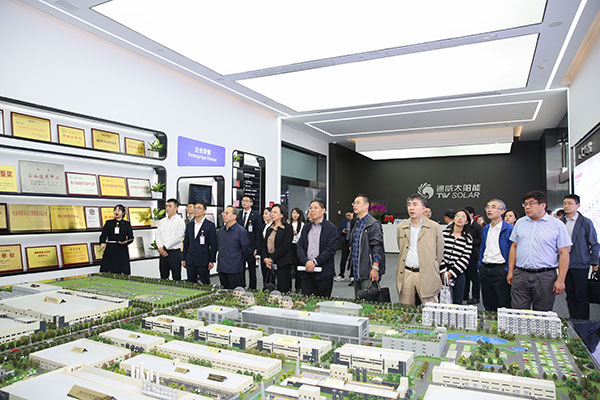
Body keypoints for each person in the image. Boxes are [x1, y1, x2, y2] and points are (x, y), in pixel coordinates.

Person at [507, 190, 572, 311]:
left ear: (543, 205)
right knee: (518, 312)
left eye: (531, 203)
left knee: (542, 313)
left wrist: (561, 280)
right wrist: (511, 271)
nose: (527, 207)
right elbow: (514, 247)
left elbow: (564, 253)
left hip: (545, 276)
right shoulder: (520, 223)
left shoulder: (557, 225)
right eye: (525, 204)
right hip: (521, 274)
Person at [397, 194, 444, 305]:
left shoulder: (434, 227)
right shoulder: (401, 227)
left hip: (426, 273)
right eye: (409, 205)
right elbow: (401, 248)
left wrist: (432, 267)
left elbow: (439, 252)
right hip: (406, 273)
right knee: (406, 307)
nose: (411, 208)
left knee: (430, 307)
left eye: (415, 204)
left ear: (423, 209)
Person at [561, 194, 600, 320]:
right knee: (569, 294)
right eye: (564, 203)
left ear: (578, 205)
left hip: (580, 263)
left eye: (570, 203)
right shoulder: (560, 222)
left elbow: (594, 244)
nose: (566, 206)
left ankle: (583, 321)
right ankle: (573, 318)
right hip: (564, 264)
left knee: (581, 294)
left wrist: (595, 263)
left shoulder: (585, 222)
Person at [297, 199, 338, 297]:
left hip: (323, 273)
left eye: (315, 208)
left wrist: (314, 262)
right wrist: (306, 262)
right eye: (310, 208)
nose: (312, 210)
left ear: (323, 210)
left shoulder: (331, 228)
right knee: (306, 301)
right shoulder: (306, 227)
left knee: (322, 302)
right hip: (306, 271)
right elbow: (300, 246)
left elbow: (330, 249)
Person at [478, 199, 513, 311]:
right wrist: (480, 265)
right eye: (488, 207)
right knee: (488, 302)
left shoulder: (509, 229)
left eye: (493, 207)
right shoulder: (485, 229)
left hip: (501, 269)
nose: (489, 210)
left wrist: (508, 270)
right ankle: (490, 322)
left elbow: (513, 251)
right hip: (485, 269)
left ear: (502, 211)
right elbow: (483, 248)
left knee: (503, 303)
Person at [350, 195, 385, 298]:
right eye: (354, 203)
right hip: (357, 271)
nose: (354, 205)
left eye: (358, 203)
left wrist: (375, 268)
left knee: (369, 302)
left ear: (366, 205)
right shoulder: (356, 223)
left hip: (368, 272)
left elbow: (377, 248)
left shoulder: (373, 224)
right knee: (358, 301)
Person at [440, 209, 473, 304]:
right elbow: (439, 253)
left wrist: (451, 273)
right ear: (454, 219)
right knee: (441, 300)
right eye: (457, 216)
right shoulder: (444, 234)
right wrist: (443, 271)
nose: (459, 218)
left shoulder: (468, 238)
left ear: (466, 222)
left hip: (458, 272)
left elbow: (465, 257)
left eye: (463, 217)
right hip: (442, 271)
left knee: (457, 301)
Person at [182, 202, 217, 284]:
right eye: (195, 208)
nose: (196, 210)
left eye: (199, 208)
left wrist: (211, 260)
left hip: (203, 260)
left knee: (205, 283)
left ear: (204, 211)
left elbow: (213, 244)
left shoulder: (210, 225)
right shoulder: (189, 225)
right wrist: (184, 258)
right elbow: (186, 242)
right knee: (191, 283)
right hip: (190, 259)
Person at [262, 204, 294, 293]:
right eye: (272, 212)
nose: (272, 214)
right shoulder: (269, 229)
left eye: (275, 212)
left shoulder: (287, 227)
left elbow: (286, 245)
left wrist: (272, 258)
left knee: (282, 289)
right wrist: (265, 258)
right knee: (269, 289)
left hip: (282, 262)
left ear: (282, 215)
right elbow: (264, 245)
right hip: (269, 263)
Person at [217, 206, 249, 289]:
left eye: (227, 213)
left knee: (236, 292)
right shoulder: (220, 231)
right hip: (222, 267)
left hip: (235, 268)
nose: (224, 215)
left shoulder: (241, 231)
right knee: (224, 291)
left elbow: (245, 251)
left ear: (234, 216)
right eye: (223, 213)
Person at [155, 198, 186, 281]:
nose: (167, 208)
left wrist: (165, 247)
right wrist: (160, 247)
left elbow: (178, 237)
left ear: (176, 208)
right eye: (167, 206)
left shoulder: (180, 221)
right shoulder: (162, 221)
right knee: (163, 276)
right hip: (162, 253)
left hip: (174, 253)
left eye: (170, 206)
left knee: (176, 277)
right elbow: (157, 235)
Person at [99, 204, 134, 275]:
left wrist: (125, 242)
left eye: (119, 210)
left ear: (123, 213)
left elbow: (131, 238)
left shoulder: (127, 224)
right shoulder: (109, 223)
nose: (116, 212)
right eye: (115, 210)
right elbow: (103, 235)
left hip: (122, 249)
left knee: (122, 270)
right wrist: (102, 242)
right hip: (110, 248)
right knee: (107, 269)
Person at [237, 195, 262, 290]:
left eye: (247, 201)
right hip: (240, 247)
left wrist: (256, 248)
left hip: (251, 248)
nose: (244, 202)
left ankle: (252, 288)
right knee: (240, 269)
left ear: (251, 203)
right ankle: (241, 286)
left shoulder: (256, 215)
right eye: (243, 200)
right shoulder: (239, 214)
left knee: (252, 270)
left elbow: (258, 234)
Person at [463, 206, 482, 305]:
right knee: (465, 276)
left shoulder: (478, 227)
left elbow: (481, 241)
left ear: (471, 215)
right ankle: (465, 294)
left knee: (474, 277)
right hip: (464, 255)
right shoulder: (464, 226)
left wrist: (469, 241)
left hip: (473, 255)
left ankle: (475, 296)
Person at [335, 210, 354, 282]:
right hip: (345, 241)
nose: (348, 217)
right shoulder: (343, 221)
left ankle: (352, 275)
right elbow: (339, 232)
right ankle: (341, 275)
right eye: (346, 216)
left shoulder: (356, 221)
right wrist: (342, 231)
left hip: (353, 243)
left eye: (349, 215)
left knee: (352, 260)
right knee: (343, 259)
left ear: (352, 214)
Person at [290, 207, 306, 293]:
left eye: (296, 213)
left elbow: (302, 237)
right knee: (289, 267)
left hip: (298, 246)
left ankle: (298, 286)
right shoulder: (289, 223)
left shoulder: (302, 224)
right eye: (293, 213)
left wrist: (295, 234)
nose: (295, 215)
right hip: (290, 246)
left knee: (298, 267)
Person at [261, 206, 273, 288]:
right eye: (263, 214)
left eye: (266, 213)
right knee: (264, 272)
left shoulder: (274, 226)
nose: (264, 215)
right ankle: (265, 286)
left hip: (271, 253)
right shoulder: (263, 226)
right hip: (263, 252)